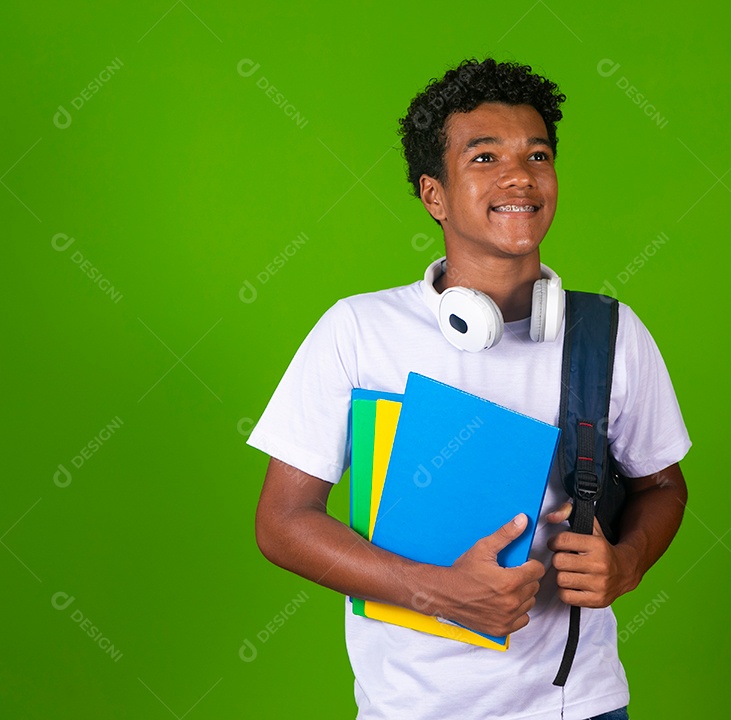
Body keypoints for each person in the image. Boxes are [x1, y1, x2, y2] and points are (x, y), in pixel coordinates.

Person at [248, 57, 691, 720]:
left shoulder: (608, 333)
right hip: (409, 709)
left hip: (578, 705)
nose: (520, 176)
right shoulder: (359, 331)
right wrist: (436, 591)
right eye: (485, 157)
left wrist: (627, 563)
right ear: (435, 195)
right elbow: (283, 523)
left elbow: (663, 486)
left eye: (537, 155)